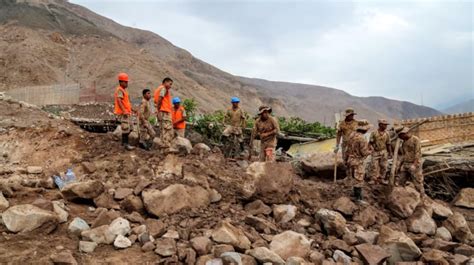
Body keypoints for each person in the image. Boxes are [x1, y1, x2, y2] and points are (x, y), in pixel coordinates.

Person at [346, 120, 371, 202]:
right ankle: (358, 198)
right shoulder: (362, 139)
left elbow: (347, 149)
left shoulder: (351, 135)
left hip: (350, 159)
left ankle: (354, 194)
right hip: (358, 161)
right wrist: (370, 151)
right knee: (359, 179)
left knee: (353, 177)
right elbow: (364, 153)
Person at [398, 127, 425, 196]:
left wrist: (414, 164)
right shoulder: (403, 142)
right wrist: (400, 165)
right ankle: (402, 197)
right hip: (406, 163)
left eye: (401, 136)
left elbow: (417, 153)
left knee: (418, 183)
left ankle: (422, 197)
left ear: (405, 134)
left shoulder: (415, 140)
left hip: (414, 163)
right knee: (401, 181)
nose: (401, 137)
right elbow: (403, 155)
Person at [335, 108, 359, 177]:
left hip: (355, 145)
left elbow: (360, 134)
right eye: (350, 115)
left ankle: (354, 176)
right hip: (345, 145)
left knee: (354, 161)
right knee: (345, 160)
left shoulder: (357, 123)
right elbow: (339, 134)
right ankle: (348, 176)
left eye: (352, 115)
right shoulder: (342, 124)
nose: (352, 116)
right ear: (347, 115)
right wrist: (337, 145)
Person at [114, 73, 134, 150]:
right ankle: (126, 144)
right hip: (123, 113)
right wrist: (124, 110)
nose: (127, 83)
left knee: (130, 128)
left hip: (127, 112)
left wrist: (132, 109)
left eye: (127, 82)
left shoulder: (124, 90)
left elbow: (126, 102)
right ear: (121, 82)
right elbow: (119, 100)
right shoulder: (119, 90)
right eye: (125, 82)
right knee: (126, 128)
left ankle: (123, 142)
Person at [368, 119, 392, 183]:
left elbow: (388, 143)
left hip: (384, 151)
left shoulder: (387, 133)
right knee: (374, 166)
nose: (386, 126)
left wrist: (390, 152)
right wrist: (371, 149)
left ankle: (382, 178)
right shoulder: (374, 133)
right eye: (384, 125)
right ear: (380, 125)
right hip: (375, 151)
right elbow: (370, 142)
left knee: (384, 166)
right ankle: (373, 179)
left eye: (386, 125)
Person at [154, 77, 174, 151]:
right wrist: (158, 110)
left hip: (162, 111)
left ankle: (163, 147)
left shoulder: (158, 89)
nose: (170, 86)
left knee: (163, 129)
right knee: (167, 129)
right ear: (165, 82)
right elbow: (160, 99)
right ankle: (166, 147)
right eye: (170, 84)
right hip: (164, 111)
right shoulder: (163, 88)